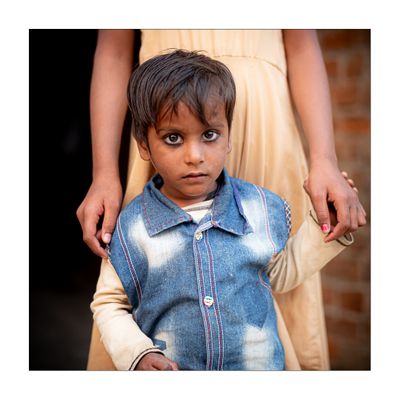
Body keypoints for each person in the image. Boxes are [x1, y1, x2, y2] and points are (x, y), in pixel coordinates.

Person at [78, 30, 366, 370]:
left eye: (210, 136)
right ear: (144, 145)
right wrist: (138, 354)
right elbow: (110, 303)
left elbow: (279, 274)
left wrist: (325, 225)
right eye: (173, 138)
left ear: (229, 135)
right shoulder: (133, 225)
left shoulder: (259, 208)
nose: (195, 156)